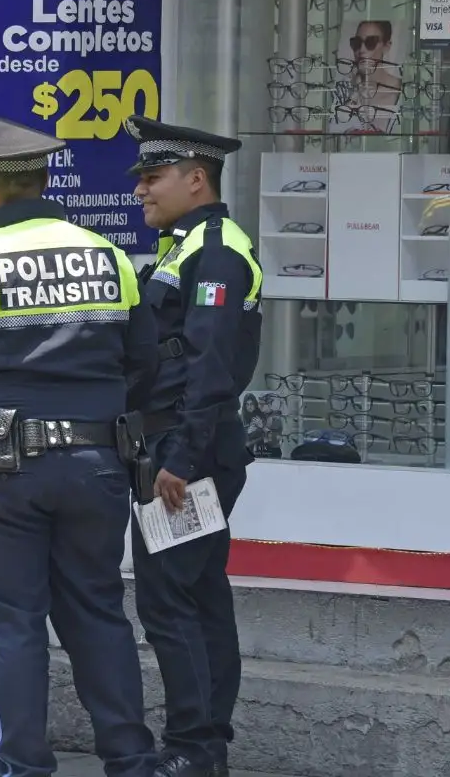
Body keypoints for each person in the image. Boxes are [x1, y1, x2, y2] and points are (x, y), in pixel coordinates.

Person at [0, 114, 162, 777]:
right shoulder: (106, 255)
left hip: (1, 472)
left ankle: (25, 769)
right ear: (43, 181)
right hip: (97, 463)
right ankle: (132, 762)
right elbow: (142, 362)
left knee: (13, 626)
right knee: (100, 612)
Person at [122, 115, 264, 777]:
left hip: (188, 454)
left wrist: (179, 458)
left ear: (196, 178)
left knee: (170, 598)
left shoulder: (216, 253)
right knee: (198, 592)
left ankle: (191, 749)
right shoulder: (189, 244)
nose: (142, 192)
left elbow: (210, 364)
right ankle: (204, 746)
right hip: (182, 447)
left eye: (153, 178)